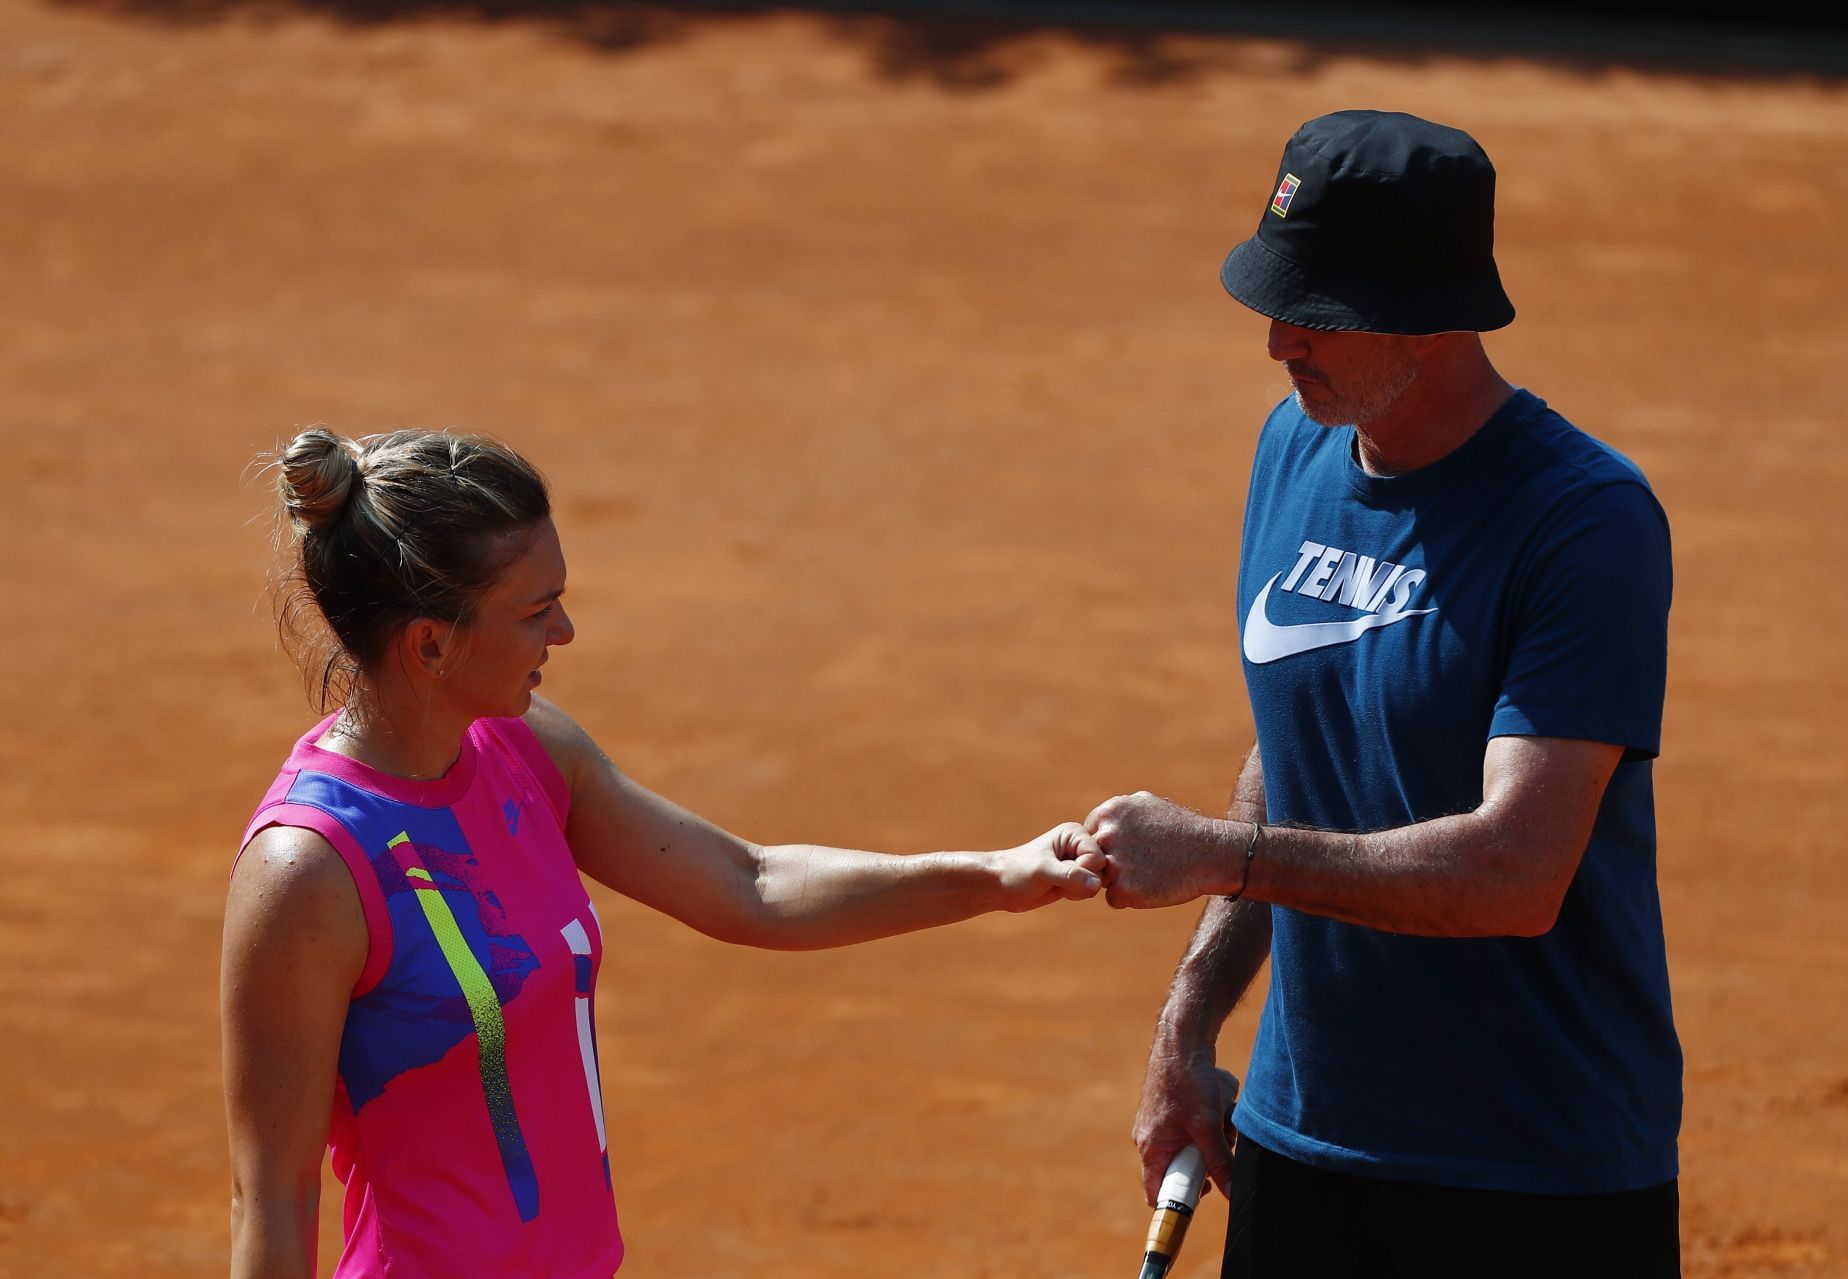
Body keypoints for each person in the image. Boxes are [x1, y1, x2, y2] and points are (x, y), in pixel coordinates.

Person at [222, 427, 1108, 1279]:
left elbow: (747, 883)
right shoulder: (311, 870)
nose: (563, 632)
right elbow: (275, 1198)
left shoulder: (528, 751)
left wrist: (998, 875)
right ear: (430, 643)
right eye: (536, 611)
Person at [1084, 110, 1683, 1276]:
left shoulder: (1583, 523)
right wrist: (1191, 1016)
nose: (1277, 344)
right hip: (1306, 1146)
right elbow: (1292, 755)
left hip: (1530, 1174)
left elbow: (1515, 871)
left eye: (1317, 314)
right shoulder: (1295, 449)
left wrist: (1218, 855)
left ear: (1437, 312)